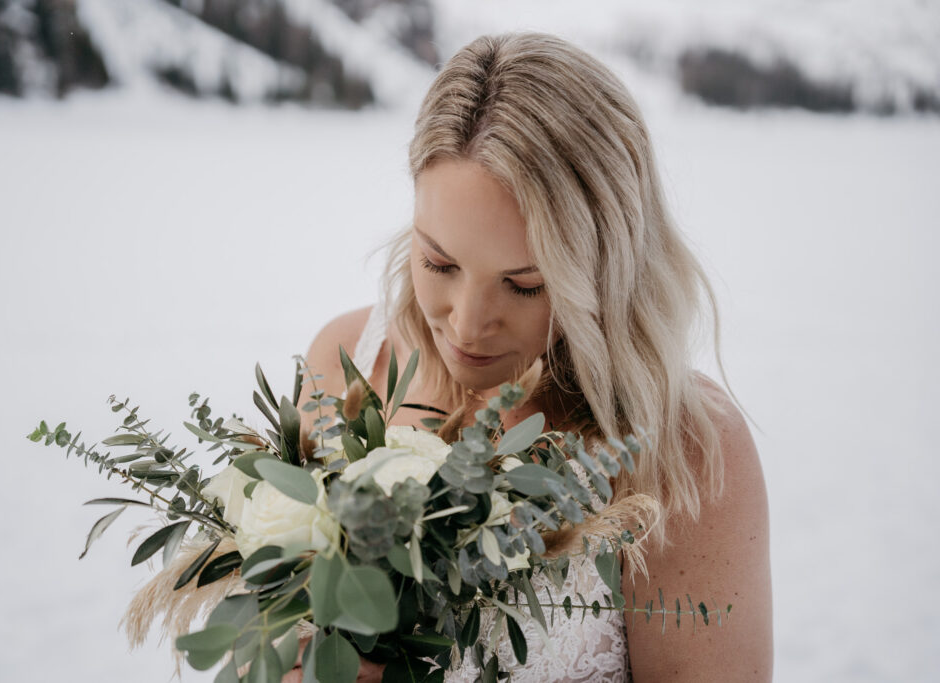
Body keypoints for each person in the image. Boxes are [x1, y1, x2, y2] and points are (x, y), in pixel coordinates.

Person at [293, 31, 772, 682]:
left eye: (524, 284)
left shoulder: (681, 448)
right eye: (439, 261)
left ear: (603, 268)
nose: (466, 323)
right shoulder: (347, 363)